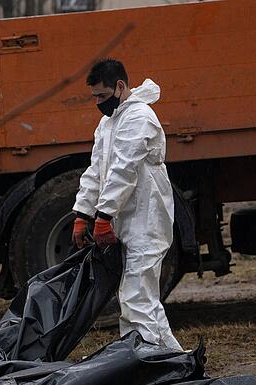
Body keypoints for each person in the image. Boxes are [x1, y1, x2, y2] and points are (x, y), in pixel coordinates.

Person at [72, 59, 182, 350]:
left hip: (147, 218)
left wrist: (104, 215)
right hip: (130, 217)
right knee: (144, 296)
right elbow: (97, 169)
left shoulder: (139, 117)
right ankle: (173, 359)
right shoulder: (109, 123)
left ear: (120, 86)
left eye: (103, 96)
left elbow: (124, 169)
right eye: (94, 97)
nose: (98, 103)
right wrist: (83, 212)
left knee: (136, 297)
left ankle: (142, 363)